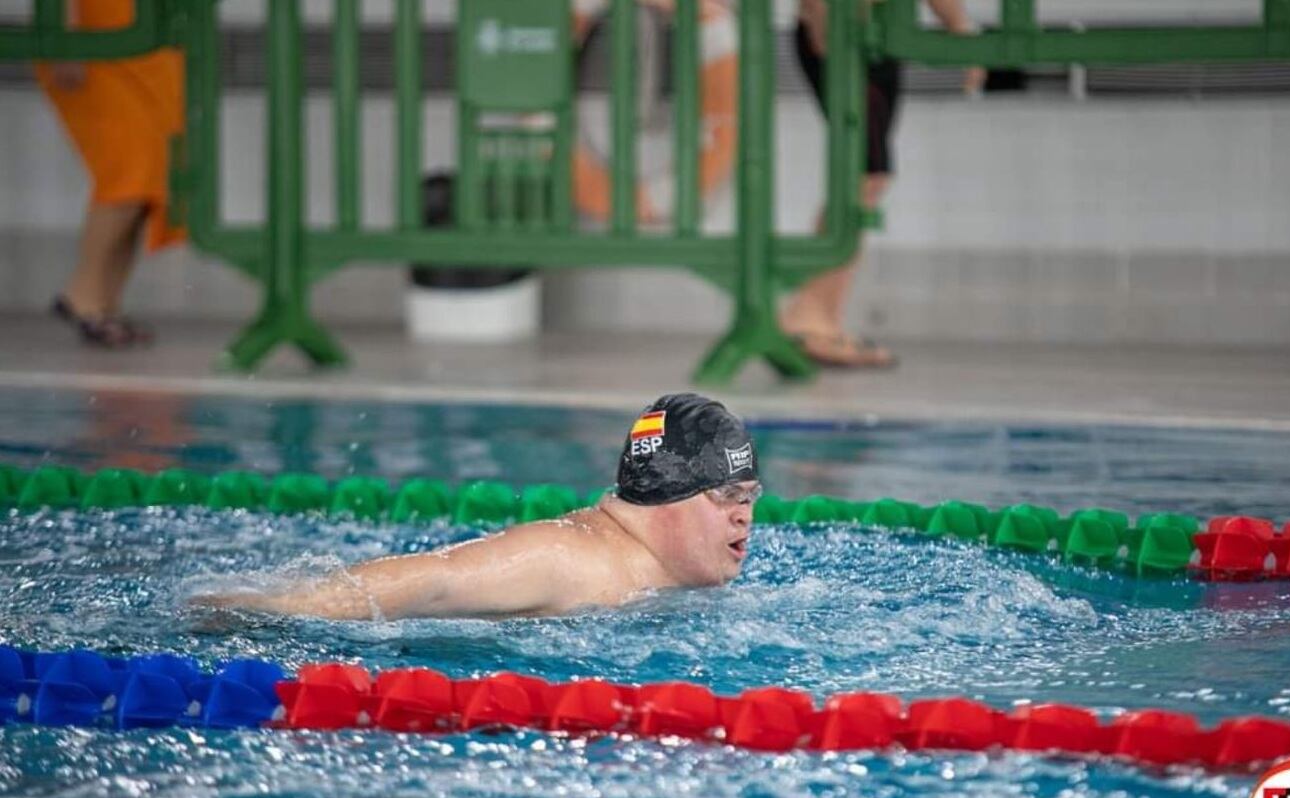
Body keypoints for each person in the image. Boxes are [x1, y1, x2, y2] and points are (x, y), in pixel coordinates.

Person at [195, 394, 762, 621]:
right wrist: (269, 609)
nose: (744, 516)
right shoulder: (569, 557)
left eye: (749, 498)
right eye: (726, 497)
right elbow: (434, 579)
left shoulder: (654, 572)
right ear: (668, 495)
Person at [782, 0, 981, 369]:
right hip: (845, 36)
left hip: (873, 39)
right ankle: (807, 317)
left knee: (866, 180)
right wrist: (824, 25)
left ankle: (822, 319)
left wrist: (960, 29)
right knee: (864, 178)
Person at [34, 0, 185, 348]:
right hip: (95, 43)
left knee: (152, 176)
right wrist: (64, 39)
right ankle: (82, 295)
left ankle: (105, 303)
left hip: (145, 47)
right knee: (129, 171)